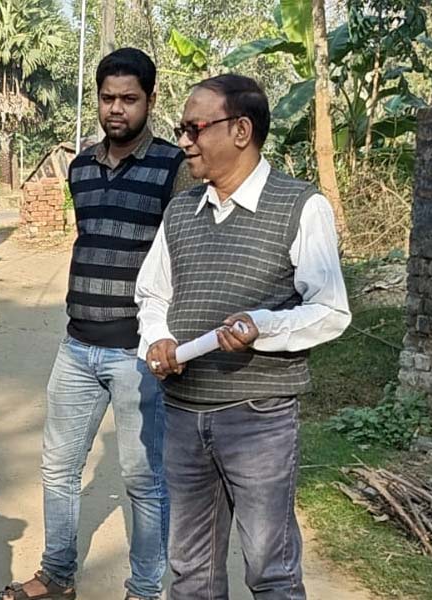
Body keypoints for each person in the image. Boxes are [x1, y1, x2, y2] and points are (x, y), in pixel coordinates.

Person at [135, 74, 351, 600]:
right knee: (191, 572)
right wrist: (158, 340)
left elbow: (330, 311)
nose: (184, 141)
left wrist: (265, 328)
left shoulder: (301, 207)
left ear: (241, 130)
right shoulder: (181, 210)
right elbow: (152, 294)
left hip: (259, 419)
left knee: (270, 570)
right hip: (184, 413)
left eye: (194, 128)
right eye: (182, 129)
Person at [0, 48, 189, 600]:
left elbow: (182, 256)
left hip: (139, 355)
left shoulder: (173, 169)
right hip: (77, 347)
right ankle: (57, 576)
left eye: (129, 99)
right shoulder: (78, 168)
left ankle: (146, 590)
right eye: (107, 98)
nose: (116, 109)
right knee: (58, 468)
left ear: (149, 100)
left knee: (143, 480)